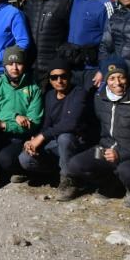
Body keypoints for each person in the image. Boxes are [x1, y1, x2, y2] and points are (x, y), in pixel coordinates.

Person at [64, 59, 130, 207]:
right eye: (112, 78)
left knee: (128, 172)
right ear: (106, 80)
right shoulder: (100, 98)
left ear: (127, 78)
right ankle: (111, 185)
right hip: (106, 149)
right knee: (75, 165)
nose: (117, 82)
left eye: (121, 77)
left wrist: (121, 154)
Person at [18, 57, 93, 199]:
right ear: (50, 79)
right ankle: (57, 173)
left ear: (70, 76)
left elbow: (71, 124)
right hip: (56, 144)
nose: (59, 80)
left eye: (63, 76)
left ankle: (70, 181)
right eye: (54, 77)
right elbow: (47, 125)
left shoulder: (79, 93)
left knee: (65, 137)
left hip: (77, 144)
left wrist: (42, 137)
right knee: (25, 158)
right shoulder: (50, 95)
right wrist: (34, 140)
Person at [0, 46, 44, 188]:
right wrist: (14, 116)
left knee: (6, 160)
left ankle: (18, 170)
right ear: (4, 66)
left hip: (19, 136)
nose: (14, 68)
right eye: (10, 64)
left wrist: (5, 124)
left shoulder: (34, 88)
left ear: (25, 65)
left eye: (19, 63)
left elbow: (33, 122)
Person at [62, 0, 111, 88]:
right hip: (74, 64)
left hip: (93, 68)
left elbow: (111, 40)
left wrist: (103, 69)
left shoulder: (105, 4)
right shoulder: (76, 0)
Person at [20, 0, 72, 84]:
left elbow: (72, 36)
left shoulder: (64, 2)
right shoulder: (28, 3)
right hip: (30, 68)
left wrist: (63, 59)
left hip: (54, 70)